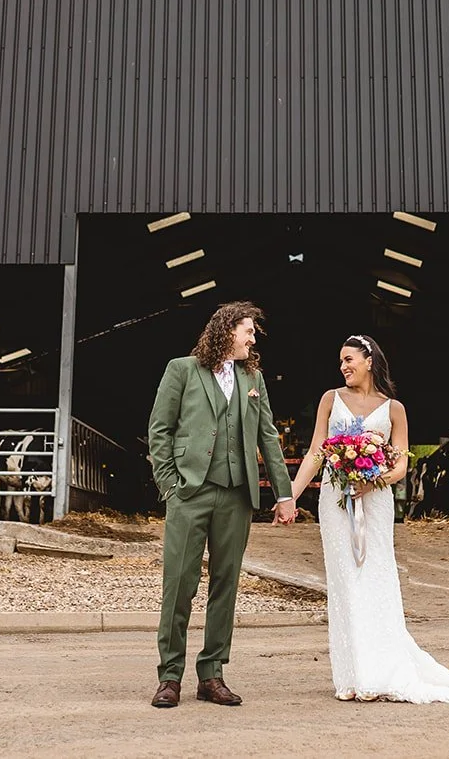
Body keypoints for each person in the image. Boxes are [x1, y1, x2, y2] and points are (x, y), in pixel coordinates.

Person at [287, 334, 449, 703]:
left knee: (375, 578)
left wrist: (374, 479)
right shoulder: (331, 400)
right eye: (340, 362)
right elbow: (315, 453)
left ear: (369, 360)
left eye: (349, 359)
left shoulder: (394, 409)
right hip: (336, 499)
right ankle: (353, 676)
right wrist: (290, 498)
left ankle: (381, 671)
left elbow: (403, 463)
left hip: (374, 502)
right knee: (344, 581)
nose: (344, 367)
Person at [146, 301, 296, 708]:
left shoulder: (253, 377)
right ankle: (169, 676)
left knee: (225, 587)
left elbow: (268, 436)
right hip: (189, 493)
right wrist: (170, 486)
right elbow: (159, 430)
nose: (253, 337)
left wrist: (284, 495)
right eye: (248, 330)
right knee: (178, 584)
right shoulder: (181, 369)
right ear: (227, 330)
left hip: (236, 495)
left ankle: (212, 674)